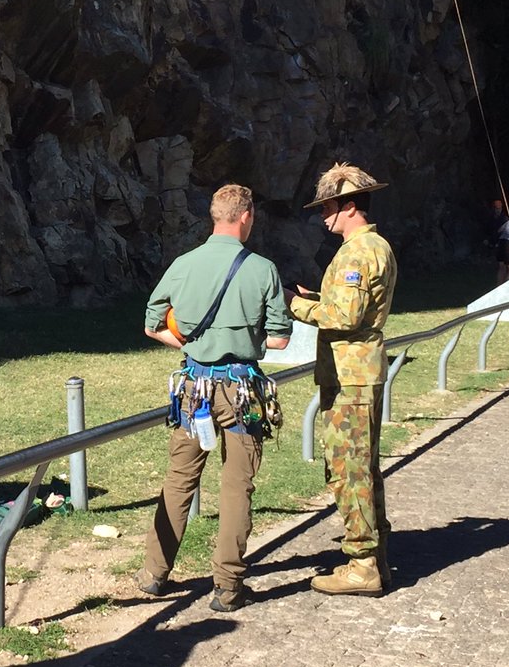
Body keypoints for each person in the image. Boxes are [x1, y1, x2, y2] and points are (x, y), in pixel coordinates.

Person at [138, 184, 292, 612]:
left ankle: (154, 573)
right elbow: (279, 341)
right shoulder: (263, 270)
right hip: (243, 391)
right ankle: (227, 585)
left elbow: (152, 324)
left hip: (193, 389)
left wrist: (187, 344)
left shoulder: (184, 264)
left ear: (214, 216)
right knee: (236, 486)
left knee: (179, 480)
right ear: (246, 217)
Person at [285, 163, 396, 596]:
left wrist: (296, 304)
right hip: (359, 371)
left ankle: (362, 564)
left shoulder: (355, 252)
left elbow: (344, 316)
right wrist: (320, 298)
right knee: (364, 467)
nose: (322, 216)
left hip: (350, 375)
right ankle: (376, 558)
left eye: (327, 207)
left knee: (349, 469)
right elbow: (354, 306)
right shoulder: (375, 247)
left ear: (349, 206)